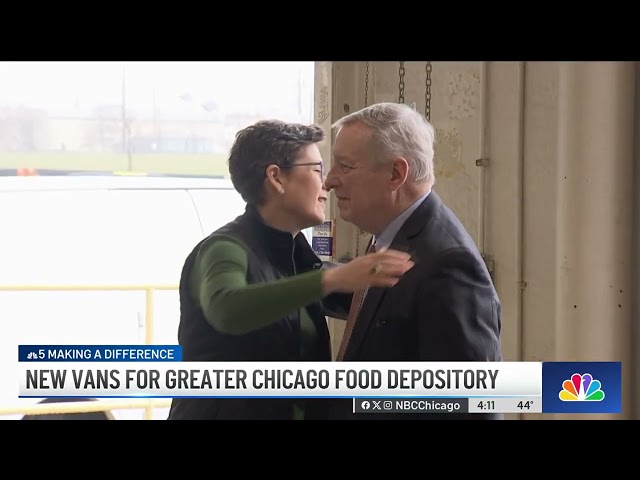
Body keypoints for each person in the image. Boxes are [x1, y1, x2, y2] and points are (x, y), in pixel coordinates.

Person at [167, 119, 414, 420]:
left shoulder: (298, 258)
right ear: (276, 178)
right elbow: (226, 308)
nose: (326, 186)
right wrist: (333, 279)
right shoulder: (223, 249)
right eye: (316, 170)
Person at [323, 103, 502, 420]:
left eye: (346, 167)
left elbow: (470, 407)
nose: (329, 181)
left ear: (395, 174)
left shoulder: (449, 266)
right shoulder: (392, 235)